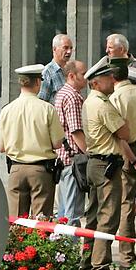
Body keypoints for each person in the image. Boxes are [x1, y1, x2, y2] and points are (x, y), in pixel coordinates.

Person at [78, 59, 128, 270]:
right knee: (108, 217)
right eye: (108, 77)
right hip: (106, 165)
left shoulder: (90, 101)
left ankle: (86, 265)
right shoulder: (103, 104)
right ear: (96, 83)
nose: (112, 80)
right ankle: (100, 268)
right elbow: (124, 132)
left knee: (92, 217)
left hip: (95, 163)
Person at [0, 64, 64, 217]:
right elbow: (57, 143)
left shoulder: (7, 110)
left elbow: (0, 146)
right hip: (41, 171)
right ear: (38, 82)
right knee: (40, 223)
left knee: (16, 223)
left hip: (16, 169)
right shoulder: (47, 109)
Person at [107, 57, 136, 270]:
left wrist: (133, 160)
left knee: (126, 204)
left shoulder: (113, 99)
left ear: (112, 77)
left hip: (126, 152)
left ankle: (126, 258)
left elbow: (117, 136)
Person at [53, 60, 88, 226]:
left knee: (64, 212)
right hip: (73, 161)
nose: (86, 77)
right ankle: (69, 250)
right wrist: (88, 152)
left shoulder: (62, 93)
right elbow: (76, 131)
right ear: (71, 76)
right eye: (83, 74)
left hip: (64, 159)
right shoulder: (72, 97)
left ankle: (61, 249)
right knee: (72, 214)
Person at [38, 34, 74, 104]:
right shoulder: (47, 72)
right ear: (54, 49)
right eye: (65, 48)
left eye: (71, 48)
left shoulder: (71, 70)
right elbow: (42, 103)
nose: (69, 51)